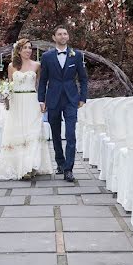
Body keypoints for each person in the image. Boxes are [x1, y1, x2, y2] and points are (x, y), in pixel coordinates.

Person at [37, 25, 88, 181]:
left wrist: (82, 98)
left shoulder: (76, 55)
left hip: (71, 99)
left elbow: (83, 79)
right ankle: (60, 162)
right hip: (53, 98)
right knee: (56, 133)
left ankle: (69, 169)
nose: (63, 36)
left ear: (68, 37)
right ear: (54, 37)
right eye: (59, 34)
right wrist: (41, 99)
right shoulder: (46, 57)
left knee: (71, 134)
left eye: (65, 33)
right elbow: (43, 80)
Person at [0, 38, 53, 180]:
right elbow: (9, 85)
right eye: (25, 48)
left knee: (33, 132)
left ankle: (31, 165)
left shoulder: (37, 65)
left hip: (32, 101)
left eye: (30, 48)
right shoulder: (11, 66)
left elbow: (41, 85)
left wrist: (43, 101)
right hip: (16, 102)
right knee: (18, 132)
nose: (28, 50)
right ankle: (19, 166)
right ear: (19, 50)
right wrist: (6, 98)